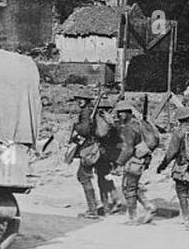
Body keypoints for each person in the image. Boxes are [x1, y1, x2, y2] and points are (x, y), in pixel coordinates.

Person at [68, 90, 116, 219]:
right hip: (100, 149)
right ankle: (107, 207)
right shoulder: (95, 112)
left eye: (81, 99)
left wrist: (75, 125)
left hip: (90, 149)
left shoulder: (86, 112)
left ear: (86, 100)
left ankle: (92, 210)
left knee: (83, 176)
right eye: (78, 98)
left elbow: (85, 130)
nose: (79, 101)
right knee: (102, 177)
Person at [114, 101, 160, 224]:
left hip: (133, 161)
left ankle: (133, 217)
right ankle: (148, 206)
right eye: (119, 112)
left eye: (123, 112)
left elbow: (128, 149)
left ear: (129, 113)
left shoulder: (129, 128)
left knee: (128, 189)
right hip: (141, 159)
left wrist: (119, 163)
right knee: (132, 186)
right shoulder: (138, 123)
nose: (120, 115)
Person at [157, 103, 189, 224]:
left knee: (181, 191)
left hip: (182, 165)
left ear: (178, 119)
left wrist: (162, 165)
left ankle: (186, 217)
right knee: (188, 188)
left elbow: (172, 152)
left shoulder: (179, 133)